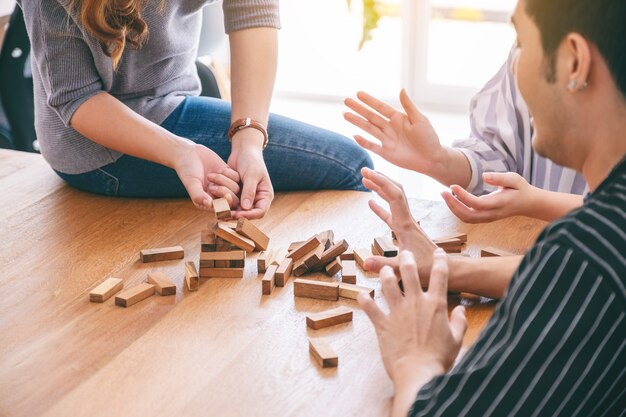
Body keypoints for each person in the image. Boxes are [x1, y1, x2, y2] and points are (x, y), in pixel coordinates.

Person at [358, 0, 626, 415]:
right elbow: (564, 277)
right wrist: (449, 268)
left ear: (574, 61)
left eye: (521, 40)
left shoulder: (586, 251)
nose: (513, 69)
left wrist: (416, 361)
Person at [18, 0, 373, 219]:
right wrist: (179, 152)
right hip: (94, 146)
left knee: (352, 167)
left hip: (174, 98)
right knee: (351, 167)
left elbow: (251, 9)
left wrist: (249, 140)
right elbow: (76, 97)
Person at [344, 47, 586, 223]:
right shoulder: (530, 44)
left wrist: (534, 202)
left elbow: (615, 214)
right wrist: (439, 159)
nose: (514, 64)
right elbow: (499, 155)